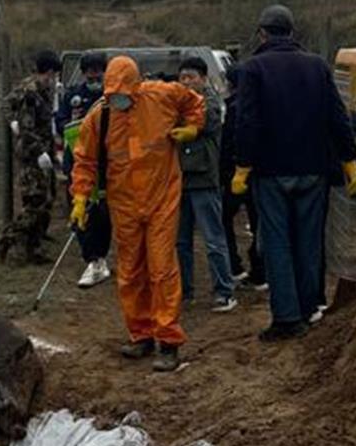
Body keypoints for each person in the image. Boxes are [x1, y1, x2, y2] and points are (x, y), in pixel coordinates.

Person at [231, 5, 356, 342]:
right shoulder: (317, 66)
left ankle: (287, 319)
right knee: (308, 242)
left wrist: (243, 165)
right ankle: (309, 308)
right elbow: (337, 116)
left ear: (263, 33)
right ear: (292, 32)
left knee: (277, 244)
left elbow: (247, 122)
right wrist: (349, 159)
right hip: (314, 171)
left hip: (271, 172)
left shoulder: (253, 68)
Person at [70, 54, 204, 372]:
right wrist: (79, 198)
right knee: (130, 271)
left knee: (161, 269)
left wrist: (192, 129)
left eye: (124, 93)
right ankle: (140, 333)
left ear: (136, 85)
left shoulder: (162, 95)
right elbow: (85, 160)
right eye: (113, 93)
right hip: (124, 203)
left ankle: (168, 340)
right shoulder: (99, 117)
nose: (119, 99)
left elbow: (195, 103)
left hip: (162, 198)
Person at [175, 56, 237, 313]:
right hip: (180, 181)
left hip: (204, 180)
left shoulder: (211, 103)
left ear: (203, 78)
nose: (187, 82)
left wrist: (188, 127)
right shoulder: (176, 103)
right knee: (181, 241)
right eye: (183, 78)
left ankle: (224, 291)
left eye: (192, 77)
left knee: (213, 239)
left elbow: (206, 120)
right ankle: (184, 291)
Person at [0, 50, 63, 264]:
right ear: (49, 72)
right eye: (53, 75)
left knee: (46, 200)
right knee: (35, 203)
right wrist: (39, 152)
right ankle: (6, 240)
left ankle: (34, 248)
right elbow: (26, 128)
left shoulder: (45, 90)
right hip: (32, 153)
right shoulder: (30, 92)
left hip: (45, 151)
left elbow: (46, 123)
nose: (54, 80)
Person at [55, 52, 112, 287]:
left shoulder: (110, 95)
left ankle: (101, 255)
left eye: (98, 69)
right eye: (89, 70)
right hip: (77, 159)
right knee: (80, 209)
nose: (93, 74)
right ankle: (91, 257)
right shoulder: (74, 95)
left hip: (105, 162)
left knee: (104, 213)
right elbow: (60, 121)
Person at [220, 64, 266, 287]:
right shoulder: (258, 104)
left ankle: (234, 265)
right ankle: (260, 270)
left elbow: (230, 142)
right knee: (258, 221)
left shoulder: (235, 108)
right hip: (257, 173)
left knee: (224, 218)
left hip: (236, 173)